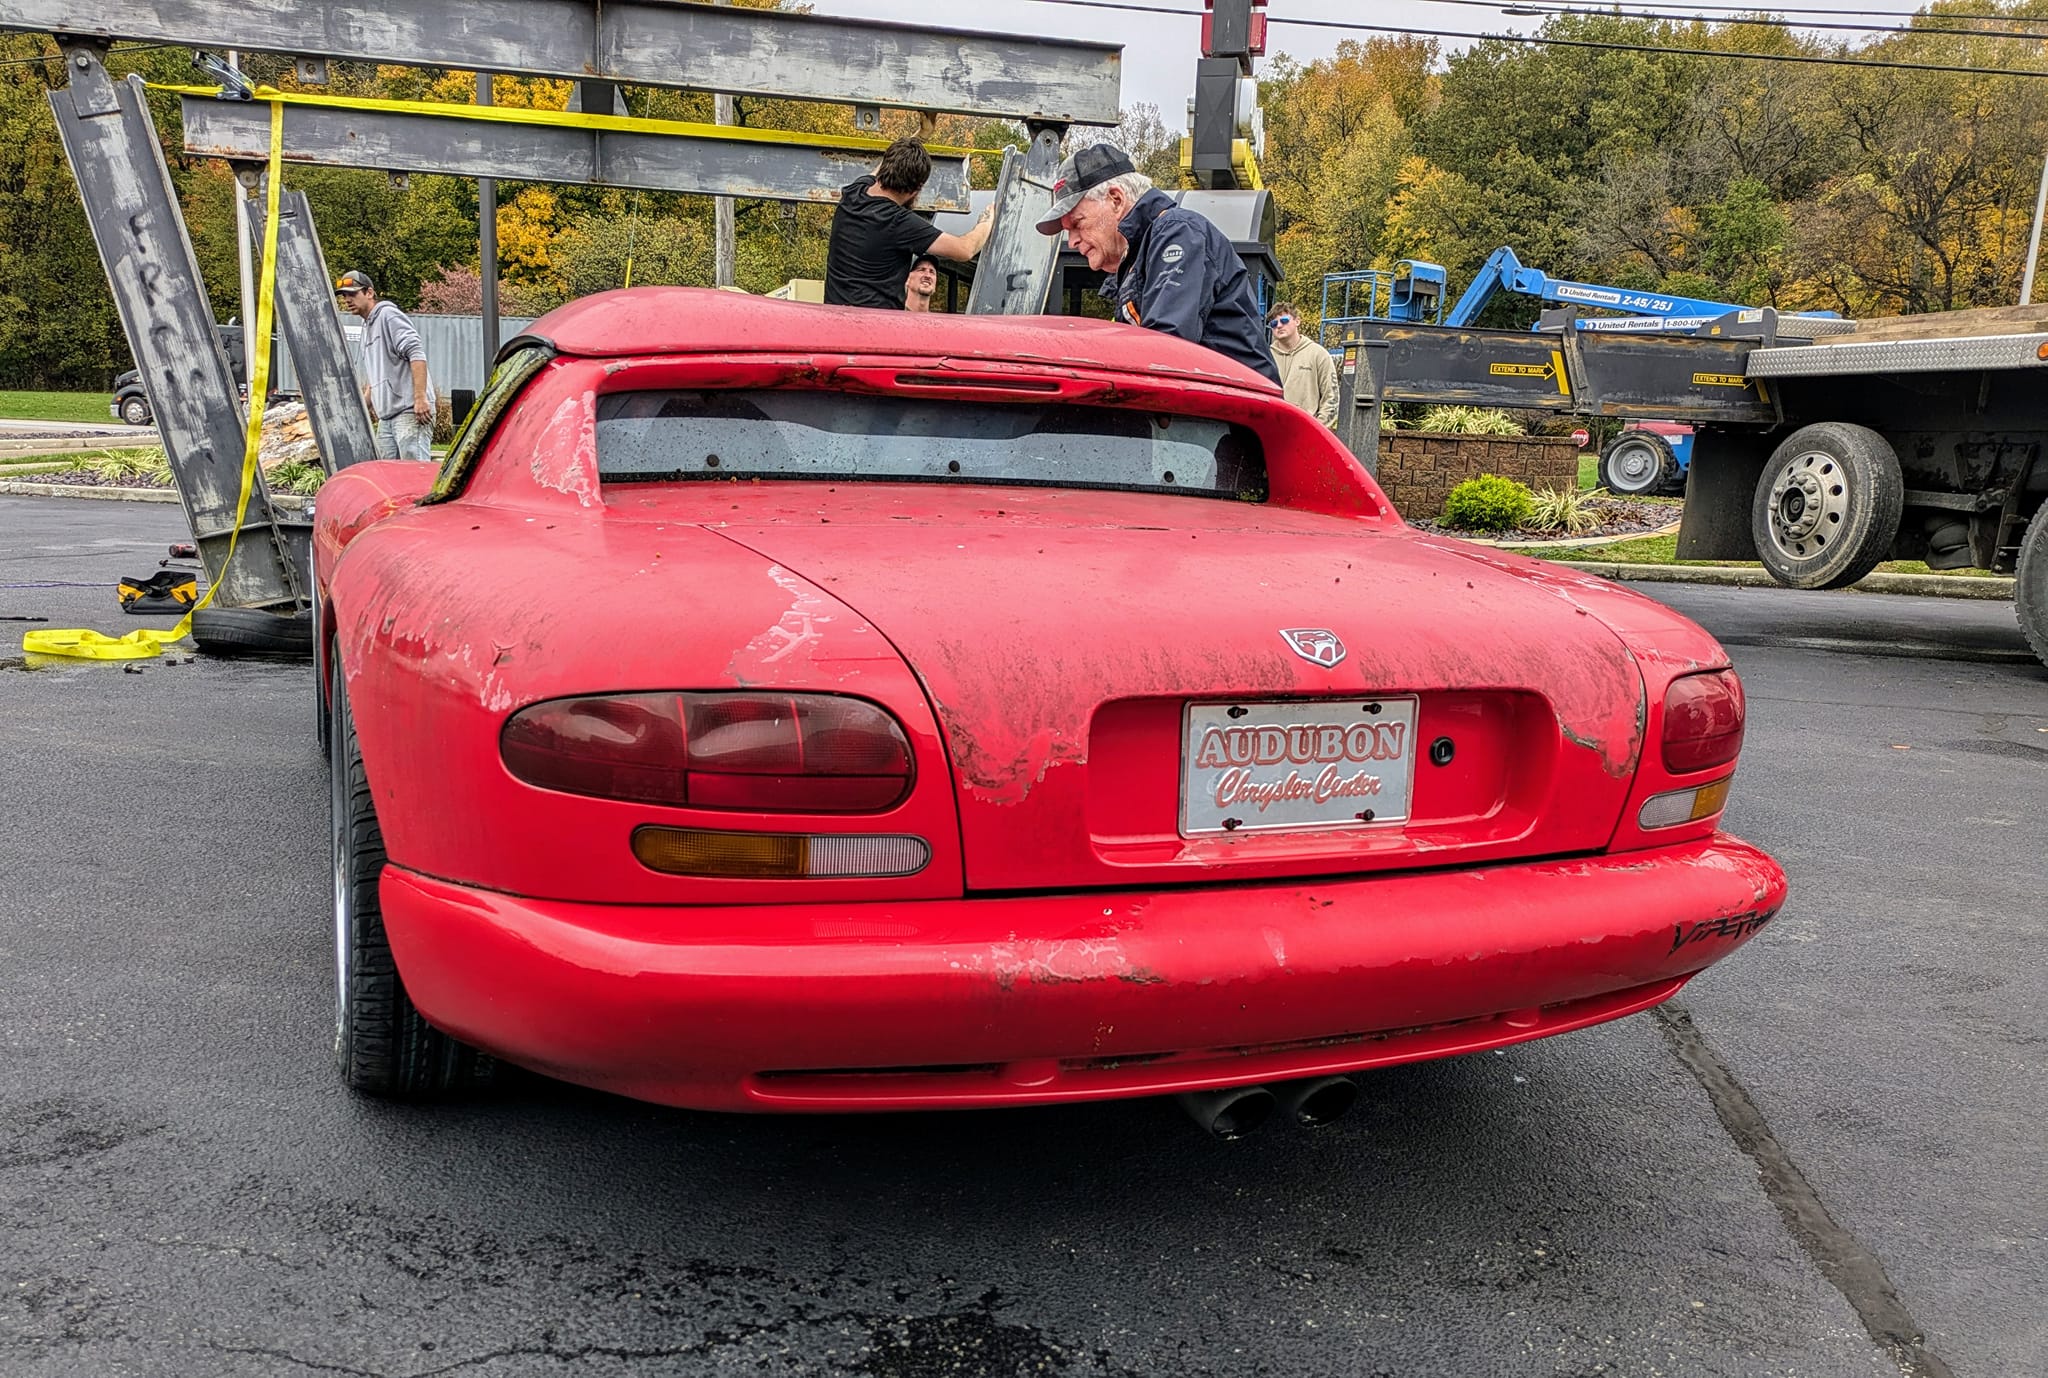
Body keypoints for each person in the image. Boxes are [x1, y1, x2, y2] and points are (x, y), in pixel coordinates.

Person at [1036, 143, 1279, 385]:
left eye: (1077, 223)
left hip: (1242, 412)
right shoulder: (1142, 254)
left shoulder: (1177, 232)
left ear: (1116, 200)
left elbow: (1163, 351)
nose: (1073, 240)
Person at [824, 139, 992, 309]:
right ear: (916, 190)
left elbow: (883, 164)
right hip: (874, 326)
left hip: (835, 322)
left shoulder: (853, 193)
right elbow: (965, 249)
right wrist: (987, 219)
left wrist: (922, 134)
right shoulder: (899, 222)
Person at [336, 270, 435, 462]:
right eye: (344, 295)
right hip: (387, 418)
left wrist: (420, 398)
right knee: (386, 476)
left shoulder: (388, 315)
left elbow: (416, 353)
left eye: (353, 294)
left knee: (414, 473)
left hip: (409, 411)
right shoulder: (366, 328)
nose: (347, 300)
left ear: (369, 293)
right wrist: (361, 409)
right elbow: (376, 379)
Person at [1267, 301, 1338, 429]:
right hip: (1272, 430)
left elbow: (1331, 398)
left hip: (1306, 431)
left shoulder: (1318, 354)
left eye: (1284, 320)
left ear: (1297, 321)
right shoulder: (1266, 357)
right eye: (1273, 323)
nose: (1279, 326)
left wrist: (1317, 428)